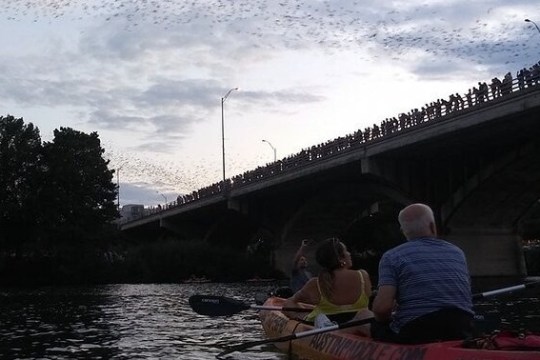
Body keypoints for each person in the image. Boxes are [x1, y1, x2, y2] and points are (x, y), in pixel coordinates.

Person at [371, 203, 474, 344]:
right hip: (460, 327)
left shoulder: (392, 257)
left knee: (371, 323)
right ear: (432, 226)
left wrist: (386, 317)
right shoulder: (457, 252)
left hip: (416, 333)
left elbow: (382, 309)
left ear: (403, 231)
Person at [283, 238, 373, 336]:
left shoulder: (315, 283)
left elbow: (289, 303)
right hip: (359, 325)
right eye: (346, 251)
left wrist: (301, 316)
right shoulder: (363, 276)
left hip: (324, 323)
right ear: (340, 259)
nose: (349, 253)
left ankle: (317, 322)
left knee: (288, 305)